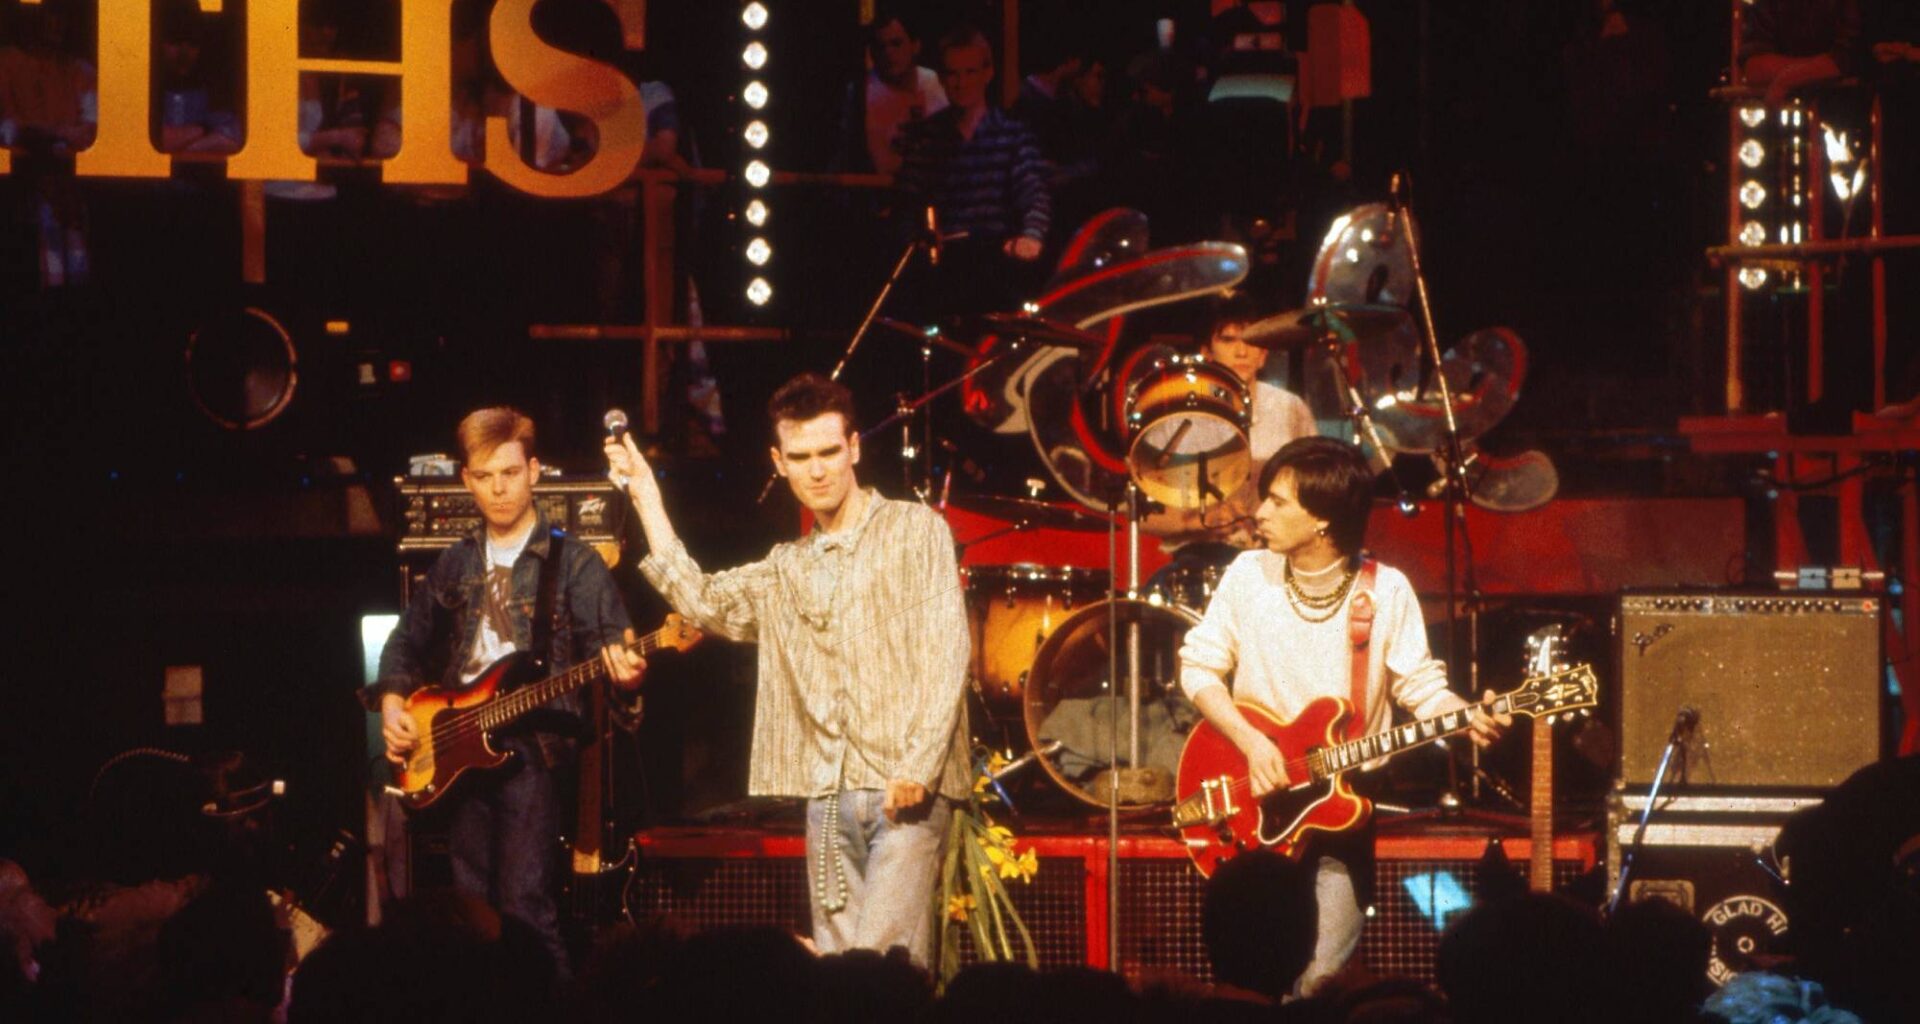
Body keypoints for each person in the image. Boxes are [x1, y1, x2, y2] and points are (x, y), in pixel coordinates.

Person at [603, 373, 970, 967]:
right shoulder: (787, 567)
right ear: (779, 462)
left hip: (905, 789)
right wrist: (646, 494)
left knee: (883, 970)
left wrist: (920, 764)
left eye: (829, 452)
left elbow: (947, 649)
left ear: (854, 448)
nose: (817, 470)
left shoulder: (915, 530)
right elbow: (701, 600)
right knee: (836, 973)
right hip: (825, 794)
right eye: (800, 457)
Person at [1177, 437, 1509, 995]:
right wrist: (1252, 742)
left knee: (1317, 983)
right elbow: (1199, 668)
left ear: (1323, 520)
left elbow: (1421, 687)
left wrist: (1464, 714)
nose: (1260, 513)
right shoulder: (1247, 575)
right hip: (1251, 797)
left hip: (1343, 807)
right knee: (1251, 982)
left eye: (1278, 501)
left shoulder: (1386, 590)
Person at [369, 407, 646, 978]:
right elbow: (403, 643)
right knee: (468, 913)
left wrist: (629, 675)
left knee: (525, 908)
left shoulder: (575, 563)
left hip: (532, 749)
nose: (498, 488)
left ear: (534, 472)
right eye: (485, 476)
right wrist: (394, 704)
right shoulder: (457, 562)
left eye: (510, 473)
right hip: (454, 745)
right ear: (467, 480)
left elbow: (615, 647)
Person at [1144, 295, 1319, 598]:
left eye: (1251, 340)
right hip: (1201, 564)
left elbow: (1318, 493)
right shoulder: (1177, 418)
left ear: (1263, 354)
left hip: (1277, 563)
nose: (1242, 351)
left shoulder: (1290, 409)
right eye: (1228, 340)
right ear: (1206, 352)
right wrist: (1199, 522)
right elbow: (1146, 516)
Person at [895, 27, 1051, 312]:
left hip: (999, 267)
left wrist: (1032, 235)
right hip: (944, 270)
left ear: (987, 73)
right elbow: (907, 203)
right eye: (953, 74)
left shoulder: (1013, 134)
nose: (961, 83)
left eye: (970, 72)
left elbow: (1034, 193)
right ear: (942, 78)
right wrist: (916, 241)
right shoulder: (927, 138)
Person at [839, 10, 948, 177]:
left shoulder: (936, 84)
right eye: (881, 46)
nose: (888, 53)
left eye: (896, 44)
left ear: (915, 46)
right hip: (876, 188)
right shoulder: (859, 92)